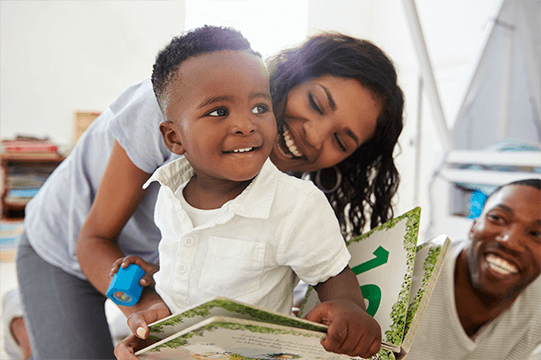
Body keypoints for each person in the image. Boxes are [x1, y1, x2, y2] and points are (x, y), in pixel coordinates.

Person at [11, 28, 404, 360]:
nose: (314, 135)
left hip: (154, 265)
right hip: (68, 248)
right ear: (288, 74)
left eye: (340, 139)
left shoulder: (294, 197)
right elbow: (94, 240)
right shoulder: (174, 104)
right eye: (316, 103)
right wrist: (145, 311)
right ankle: (22, 327)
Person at [111, 25, 381, 359]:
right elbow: (187, 281)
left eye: (259, 108)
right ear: (174, 138)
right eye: (219, 111)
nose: (245, 124)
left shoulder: (297, 205)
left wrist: (348, 308)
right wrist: (151, 296)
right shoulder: (167, 193)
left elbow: (334, 277)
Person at [406, 178, 541, 359]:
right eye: (497, 218)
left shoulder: (536, 306)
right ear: (474, 226)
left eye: (537, 234)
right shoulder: (404, 279)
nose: (509, 241)